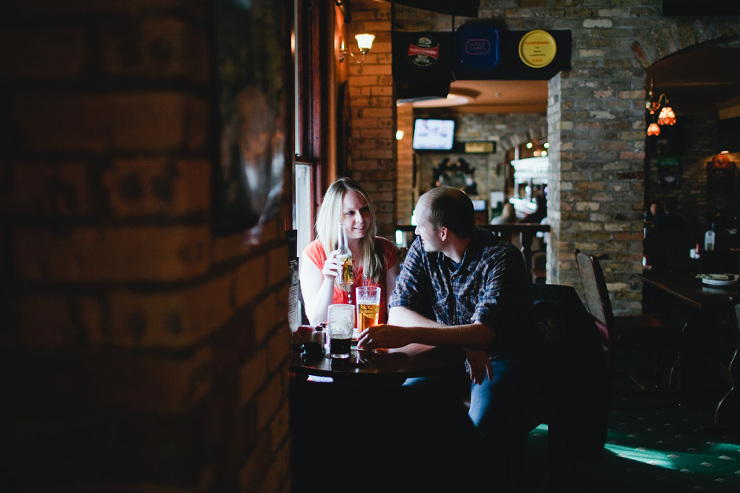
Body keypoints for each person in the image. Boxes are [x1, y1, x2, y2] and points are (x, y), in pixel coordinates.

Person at [358, 186, 541, 491]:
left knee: (478, 430)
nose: (415, 231)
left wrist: (465, 338)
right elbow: (399, 311)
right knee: (405, 407)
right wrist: (464, 341)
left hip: (502, 358)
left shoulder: (502, 257)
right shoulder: (422, 248)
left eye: (420, 224)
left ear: (443, 232)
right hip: (449, 356)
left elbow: (484, 333)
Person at [299, 177, 400, 325]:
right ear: (334, 217)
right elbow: (315, 320)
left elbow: (396, 314)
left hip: (377, 342)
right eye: (350, 213)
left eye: (364, 209)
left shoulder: (385, 250)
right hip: (335, 344)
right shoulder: (315, 253)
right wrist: (329, 280)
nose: (361, 219)